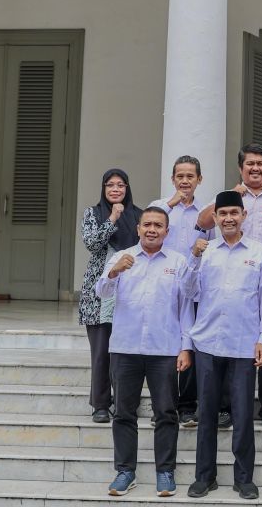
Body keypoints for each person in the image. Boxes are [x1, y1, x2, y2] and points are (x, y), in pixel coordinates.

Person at [196, 143, 262, 431]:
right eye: (250, 164)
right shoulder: (229, 198)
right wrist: (234, 193)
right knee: (229, 344)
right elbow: (202, 221)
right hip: (230, 282)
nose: (255, 168)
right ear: (241, 169)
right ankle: (226, 406)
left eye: (260, 164)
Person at [97, 206, 195, 498]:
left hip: (163, 349)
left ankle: (165, 472)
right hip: (125, 348)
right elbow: (102, 292)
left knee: (166, 412)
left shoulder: (178, 262)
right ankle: (125, 472)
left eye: (158, 225)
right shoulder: (121, 257)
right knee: (124, 412)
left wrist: (186, 347)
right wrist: (113, 272)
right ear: (138, 228)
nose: (152, 229)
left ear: (167, 231)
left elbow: (187, 306)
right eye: (147, 225)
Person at [186, 190, 262, 500]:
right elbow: (188, 291)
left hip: (243, 345)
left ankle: (244, 478)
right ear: (215, 218)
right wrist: (194, 258)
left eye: (233, 213)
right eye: (222, 214)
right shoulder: (205, 251)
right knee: (207, 412)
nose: (227, 218)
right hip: (208, 343)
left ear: (243, 216)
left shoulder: (261, 252)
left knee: (242, 414)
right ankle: (204, 476)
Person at [151, 155, 211, 428]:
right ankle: (163, 406)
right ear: (172, 179)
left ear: (199, 179)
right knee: (164, 348)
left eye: (190, 176)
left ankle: (187, 406)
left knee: (190, 345)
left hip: (196, 287)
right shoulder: (160, 208)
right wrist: (171, 203)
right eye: (180, 176)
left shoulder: (206, 212)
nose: (185, 181)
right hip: (164, 285)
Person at [78, 168, 141, 424]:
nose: (116, 189)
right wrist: (112, 219)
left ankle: (125, 402)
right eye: (110, 185)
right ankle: (101, 404)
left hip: (129, 291)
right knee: (101, 350)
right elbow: (92, 244)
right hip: (99, 293)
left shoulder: (137, 214)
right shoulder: (93, 213)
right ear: (103, 189)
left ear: (127, 189)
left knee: (125, 353)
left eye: (121, 185)